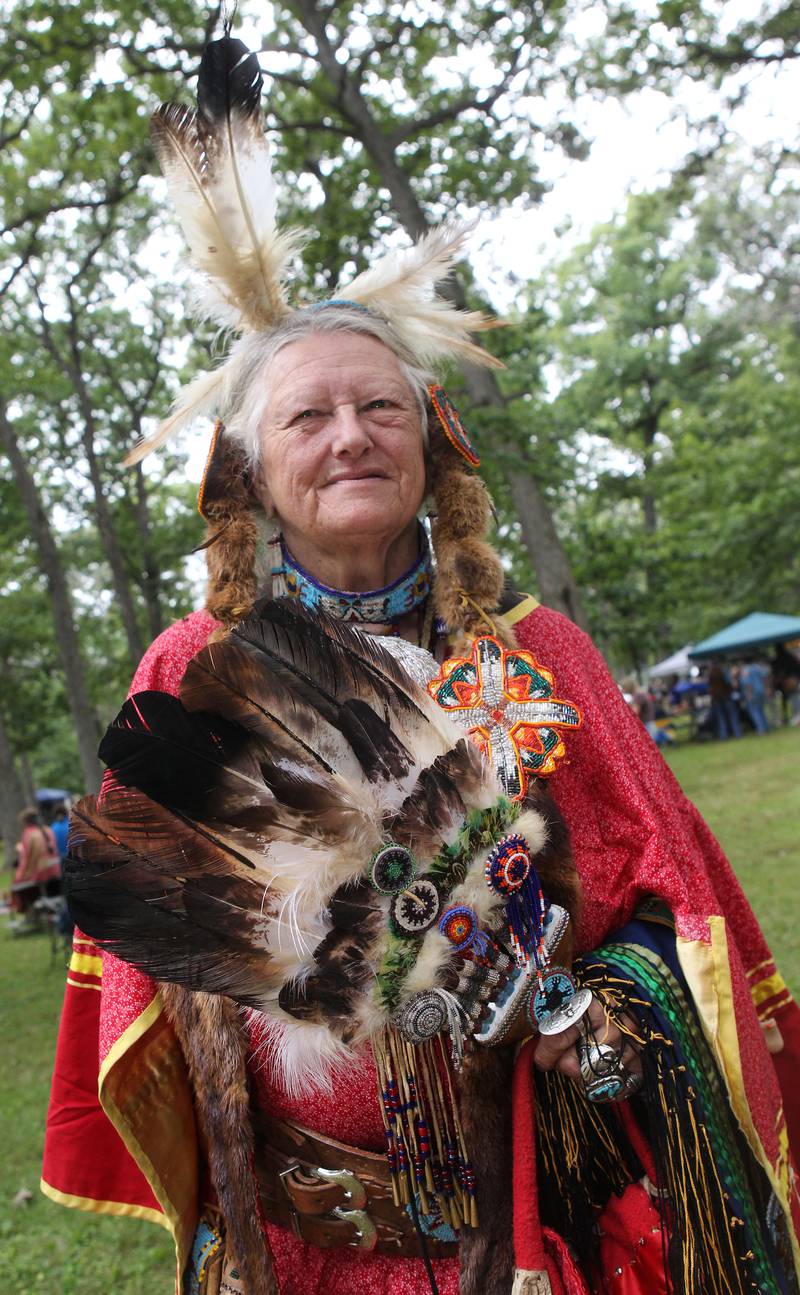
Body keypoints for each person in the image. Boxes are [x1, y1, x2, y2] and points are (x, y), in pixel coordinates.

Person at [42, 32, 800, 1295]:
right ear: (250, 470)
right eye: (308, 414)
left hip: (517, 1226)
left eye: (379, 405)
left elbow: (672, 896)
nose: (350, 435)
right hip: (286, 1241)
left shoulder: (535, 653)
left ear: (430, 439)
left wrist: (606, 1000)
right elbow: (144, 967)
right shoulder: (190, 665)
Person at [10, 806, 61, 913]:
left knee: (18, 887)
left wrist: (19, 877)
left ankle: (30, 913)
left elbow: (26, 860)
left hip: (41, 875)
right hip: (55, 871)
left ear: (25, 822)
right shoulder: (48, 830)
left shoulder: (29, 834)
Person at [708, 662, 742, 739]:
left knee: (721, 717)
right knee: (733, 715)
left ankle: (724, 734)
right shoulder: (724, 672)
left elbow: (709, 687)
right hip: (726, 696)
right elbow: (730, 683)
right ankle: (737, 733)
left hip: (716, 698)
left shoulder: (711, 674)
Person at [740, 658, 771, 735]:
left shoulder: (745, 670)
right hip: (761, 691)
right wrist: (767, 689)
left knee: (755, 712)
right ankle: (766, 727)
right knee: (761, 710)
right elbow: (765, 679)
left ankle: (761, 729)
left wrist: (749, 694)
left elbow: (747, 683)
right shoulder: (758, 668)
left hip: (753, 693)